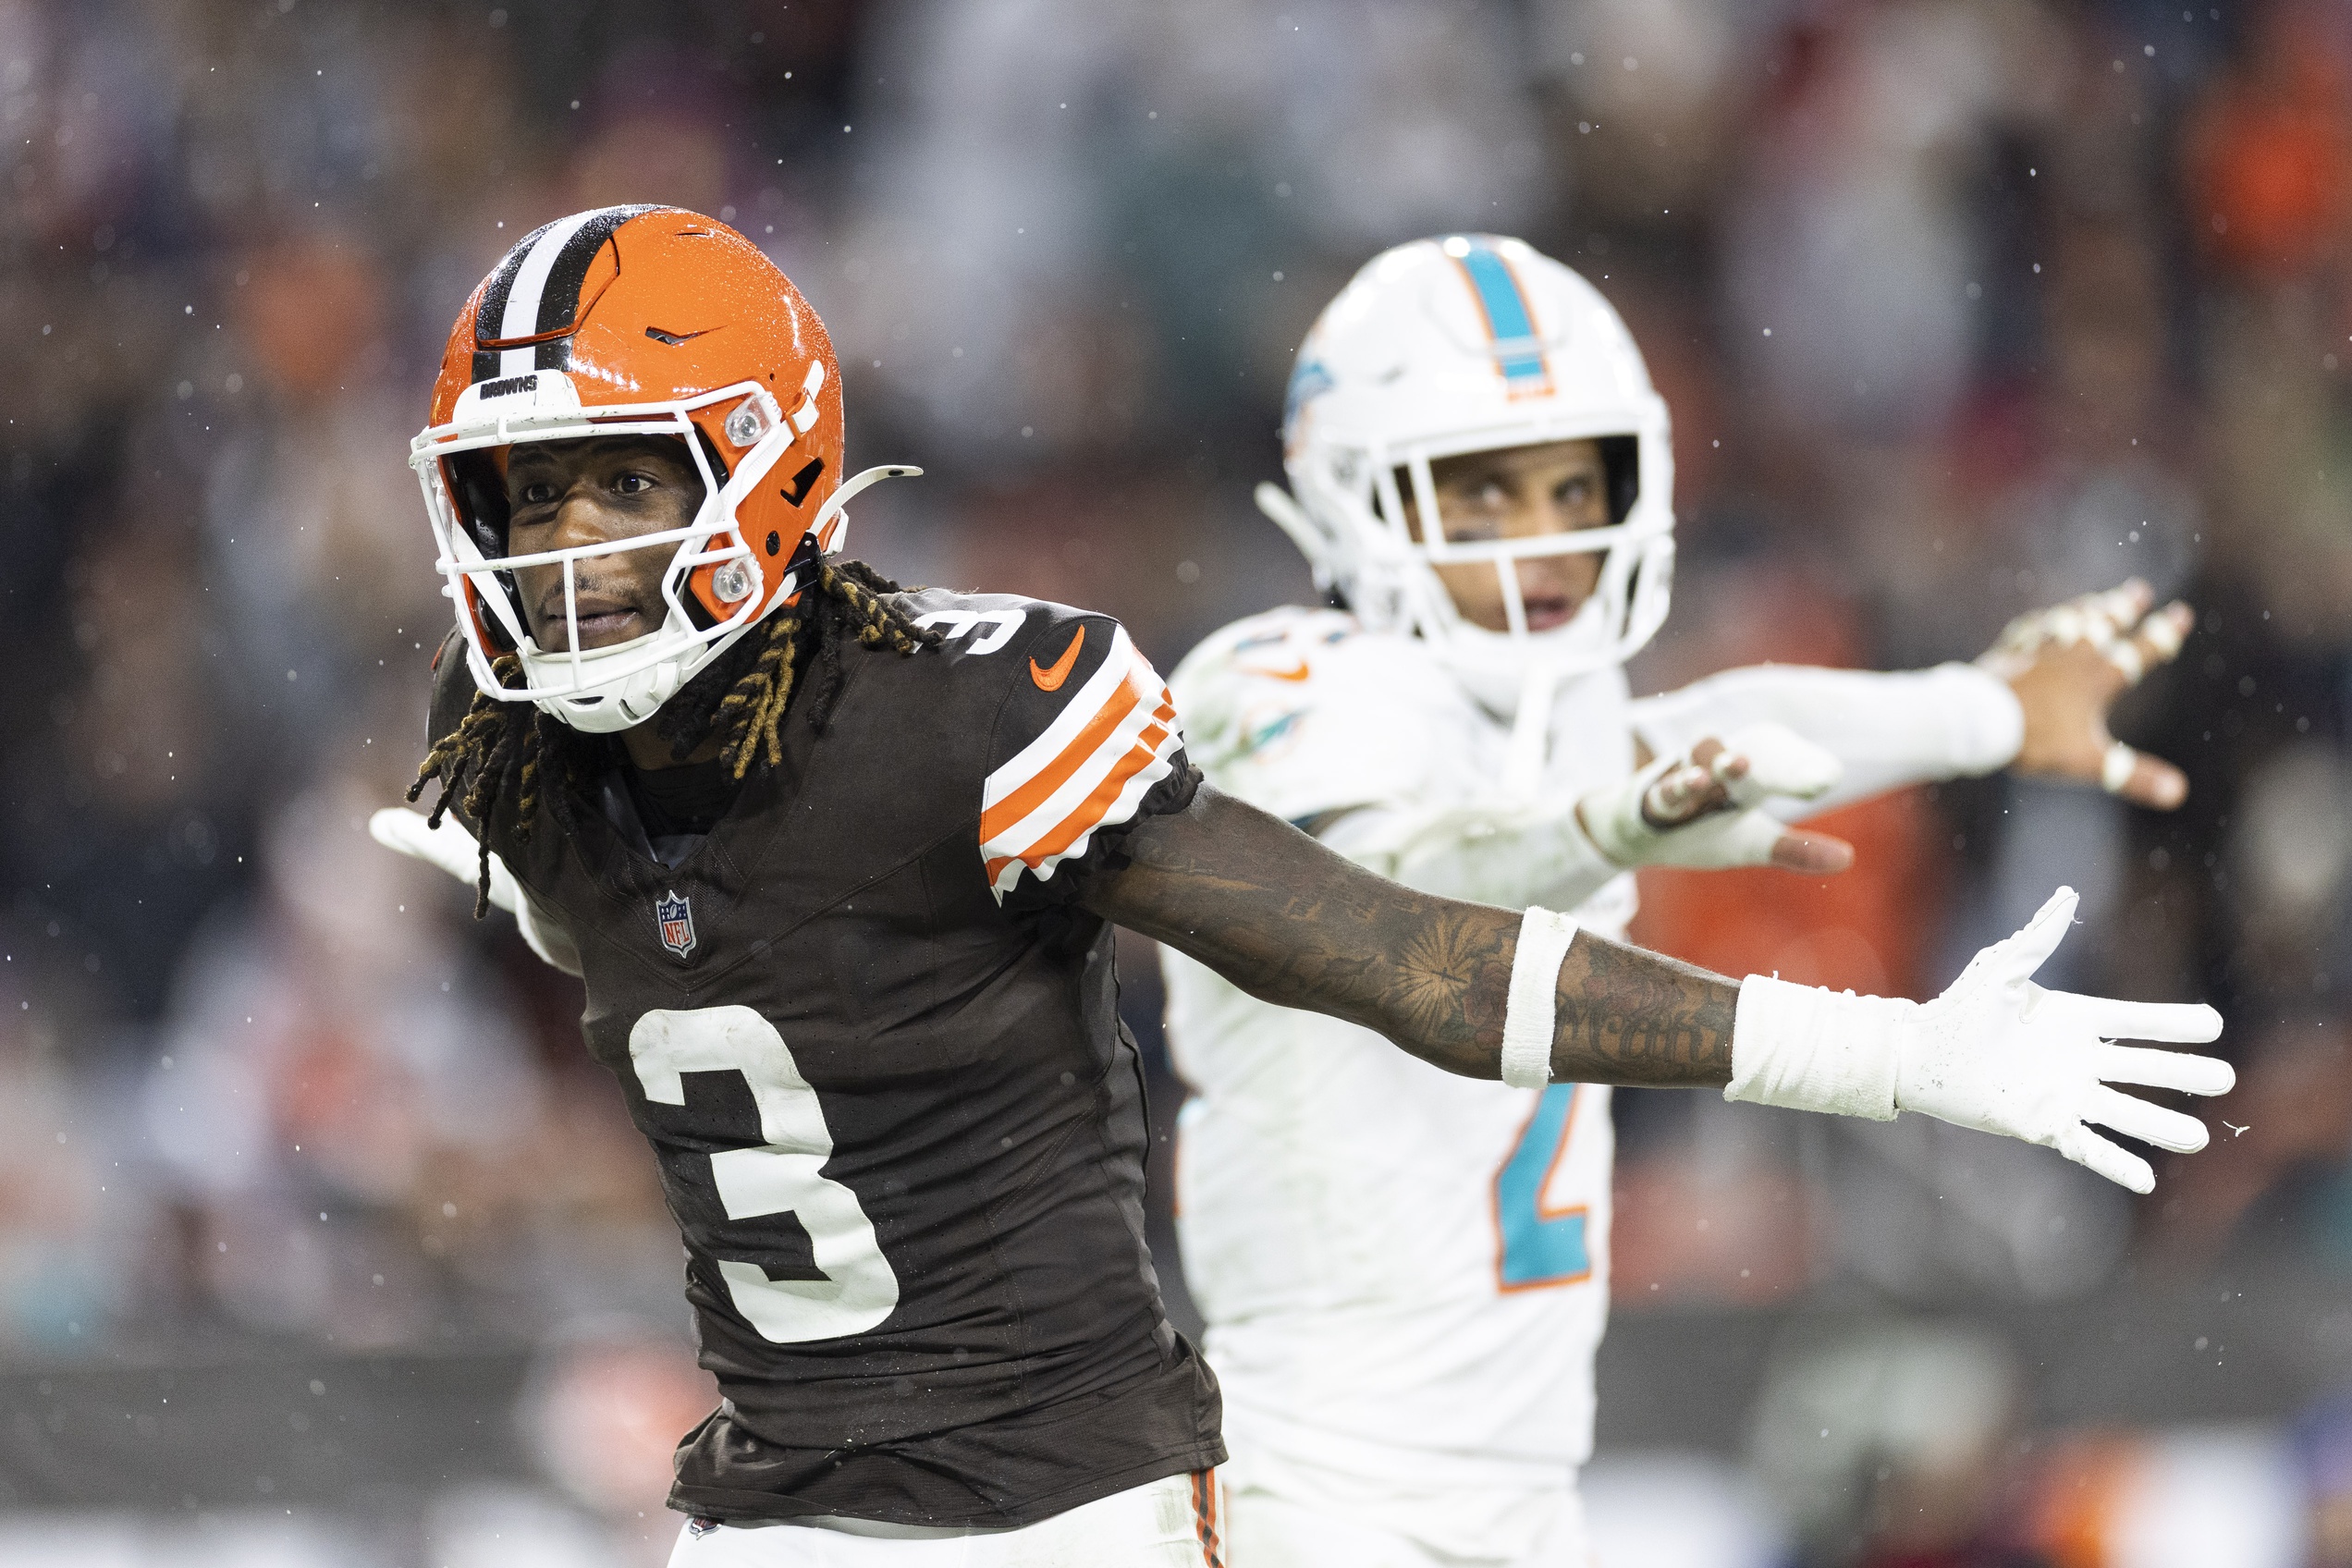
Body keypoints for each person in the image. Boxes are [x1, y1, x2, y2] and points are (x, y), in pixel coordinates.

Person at [369, 208, 2230, 1567]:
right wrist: (1672, 862)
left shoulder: (974, 716)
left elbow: (1455, 903)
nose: (565, 555)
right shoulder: (527, 750)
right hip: (1038, 1485)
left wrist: (1974, 720)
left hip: (1125, 1495)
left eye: (619, 486)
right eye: (526, 498)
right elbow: (1425, 908)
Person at [1160, 233, 2208, 1568]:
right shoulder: (1281, 686)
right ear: (1355, 496)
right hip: (1314, 1485)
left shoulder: (1558, 723)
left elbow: (1723, 720)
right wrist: (1605, 827)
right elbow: (1402, 922)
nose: (1545, 536)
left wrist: (1983, 709)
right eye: (1482, 494)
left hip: (1509, 1494)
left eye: (1572, 484)